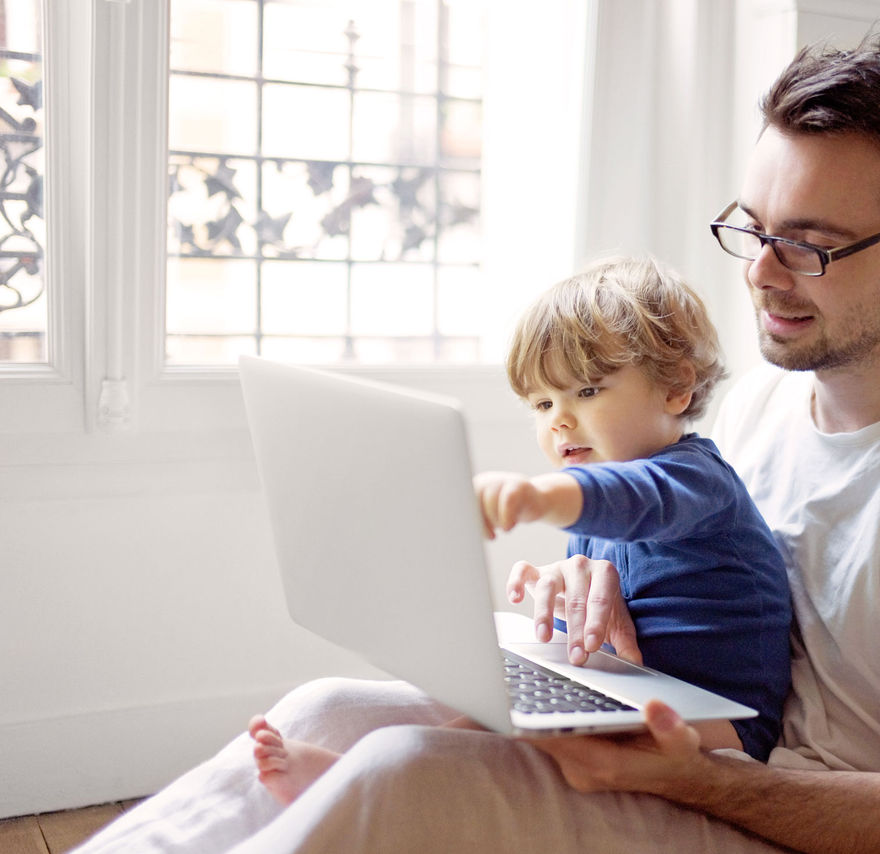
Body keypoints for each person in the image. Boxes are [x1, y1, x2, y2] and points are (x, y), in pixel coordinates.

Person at [75, 36, 880, 854]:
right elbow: (687, 573)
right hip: (692, 750)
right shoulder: (762, 406)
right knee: (329, 707)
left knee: (399, 777)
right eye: (752, 227)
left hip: (780, 818)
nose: (764, 275)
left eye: (812, 245)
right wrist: (596, 612)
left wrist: (692, 774)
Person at [245, 257, 792, 805]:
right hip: (640, 691)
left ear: (675, 390)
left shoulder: (696, 479)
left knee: (500, 742)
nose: (558, 419)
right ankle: (352, 776)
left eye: (587, 391)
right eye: (542, 402)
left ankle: (351, 784)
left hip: (724, 727)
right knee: (505, 710)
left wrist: (537, 497)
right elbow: (605, 624)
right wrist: (554, 626)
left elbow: (639, 499)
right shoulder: (591, 510)